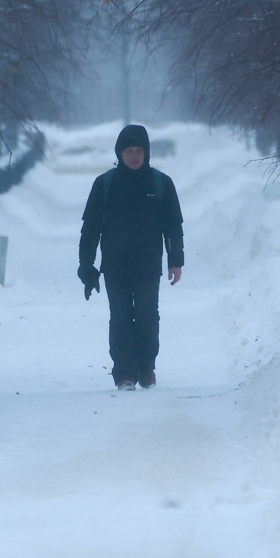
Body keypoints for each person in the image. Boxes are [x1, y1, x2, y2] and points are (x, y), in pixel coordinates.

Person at [78, 124, 184, 390]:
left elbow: (173, 226)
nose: (135, 156)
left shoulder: (161, 183)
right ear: (120, 153)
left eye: (139, 151)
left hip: (148, 265)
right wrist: (86, 264)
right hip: (115, 265)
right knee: (121, 317)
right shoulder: (105, 184)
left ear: (146, 153)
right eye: (129, 151)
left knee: (148, 316)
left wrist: (175, 261)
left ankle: (146, 368)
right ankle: (124, 373)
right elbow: (90, 227)